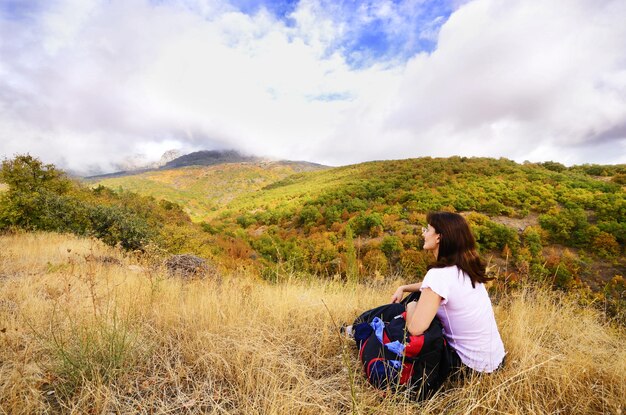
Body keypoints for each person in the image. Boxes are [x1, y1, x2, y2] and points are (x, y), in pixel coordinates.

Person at [391, 211, 506, 374]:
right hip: (496, 361)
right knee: (419, 295)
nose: (424, 234)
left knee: (413, 303)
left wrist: (411, 306)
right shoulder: (466, 267)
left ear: (439, 238)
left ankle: (364, 328)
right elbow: (430, 286)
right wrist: (403, 287)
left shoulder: (439, 275)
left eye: (428, 229)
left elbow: (415, 329)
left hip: (470, 367)